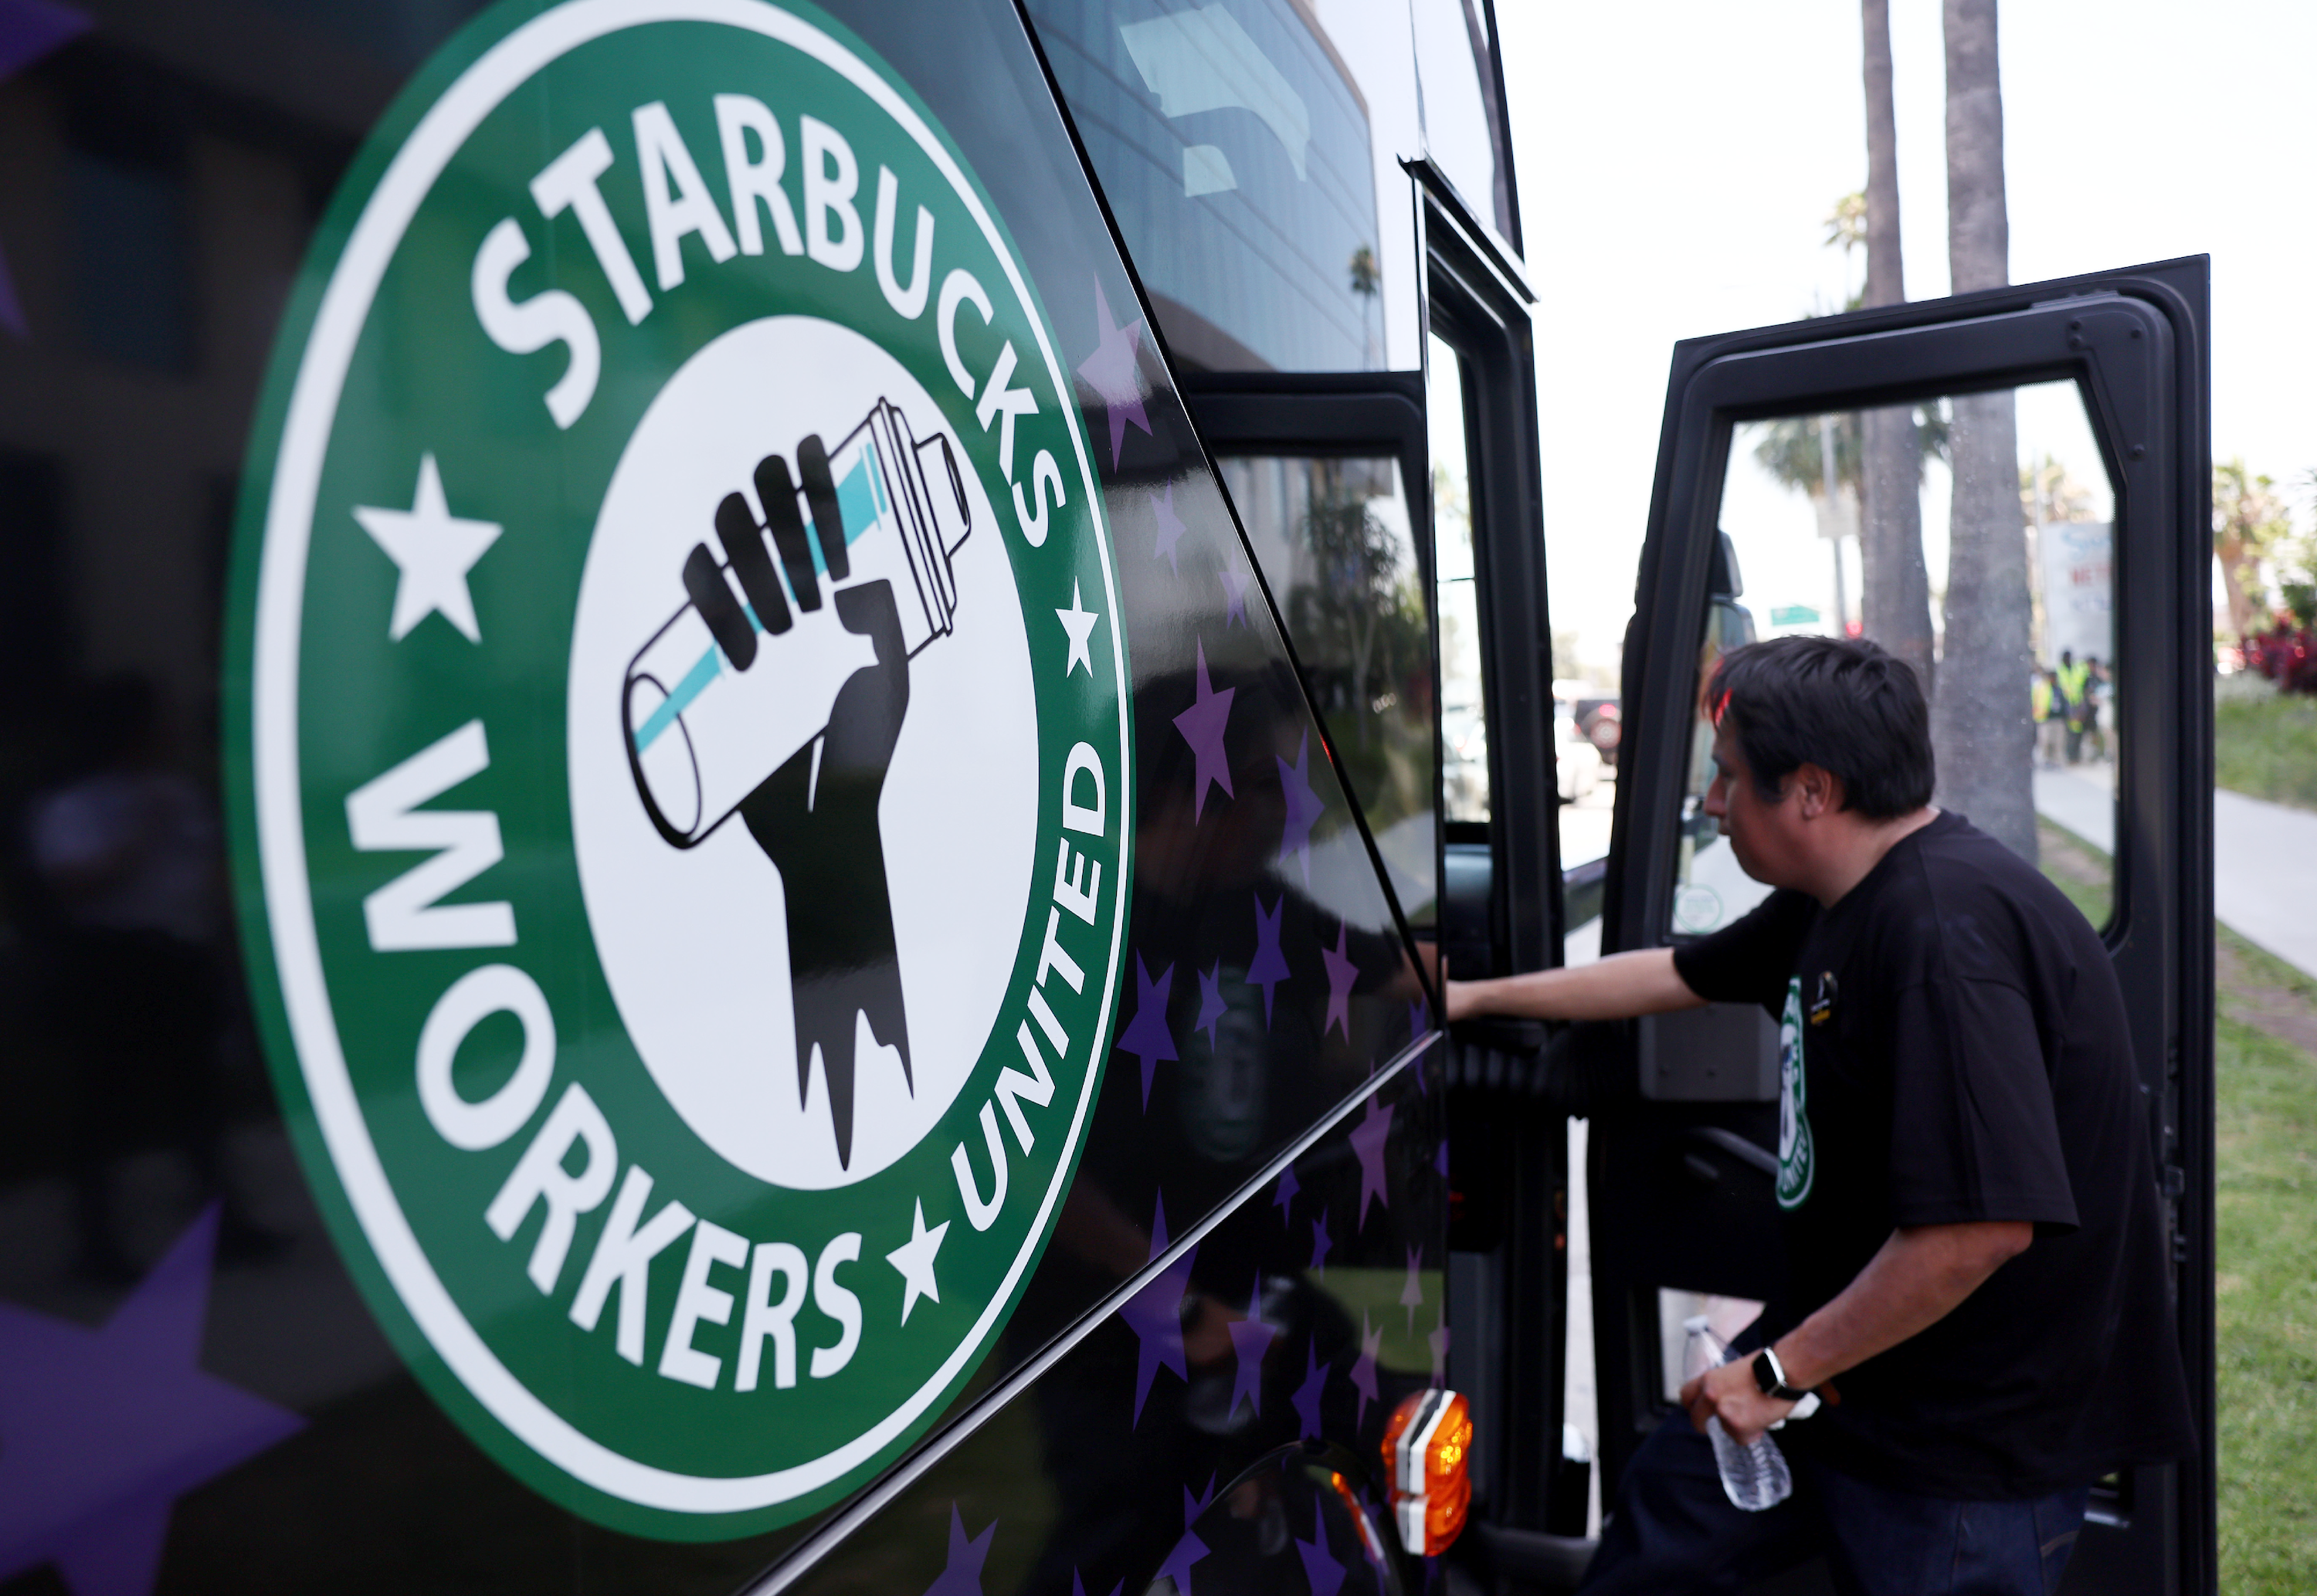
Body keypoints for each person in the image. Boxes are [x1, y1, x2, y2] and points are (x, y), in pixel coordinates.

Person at [1448, 636, 2193, 1596]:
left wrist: (1773, 1376)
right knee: (1666, 1523)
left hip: (1959, 1452)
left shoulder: (1942, 938)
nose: (1713, 805)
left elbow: (1976, 1231)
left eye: (1726, 779)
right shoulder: (1836, 899)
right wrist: (1473, 999)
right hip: (1852, 1385)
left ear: (1810, 789)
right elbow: (1678, 972)